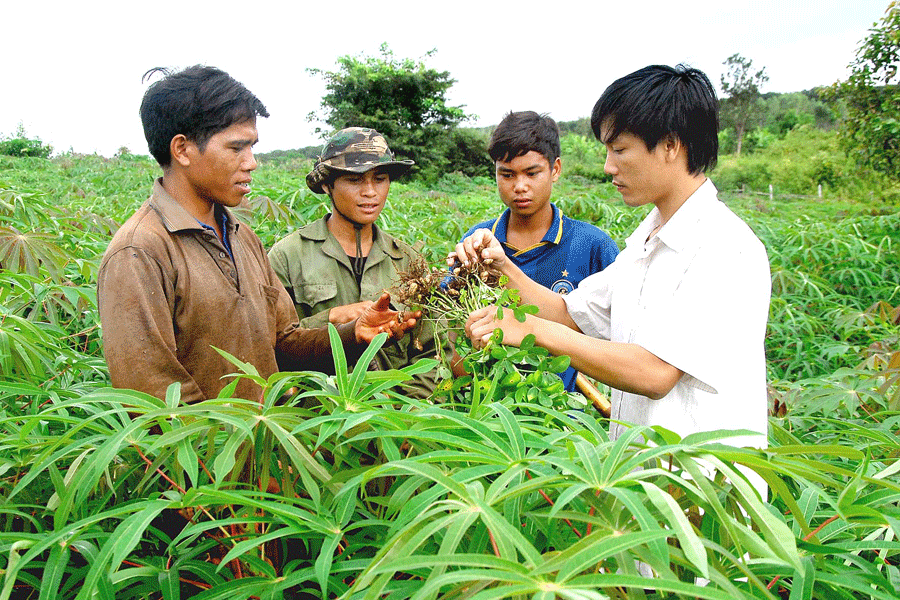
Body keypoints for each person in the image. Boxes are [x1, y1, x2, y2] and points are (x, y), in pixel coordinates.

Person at [455, 65, 770, 452]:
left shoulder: (722, 245)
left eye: (619, 150)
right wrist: (500, 265)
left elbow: (655, 373)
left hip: (700, 484)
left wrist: (532, 331)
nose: (608, 166)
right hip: (642, 475)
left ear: (670, 145)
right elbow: (570, 312)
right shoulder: (647, 240)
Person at [97, 66, 416, 404]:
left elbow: (285, 345)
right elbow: (153, 394)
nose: (252, 163)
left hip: (269, 447)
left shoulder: (241, 237)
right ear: (182, 150)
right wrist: (228, 452)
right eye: (237, 148)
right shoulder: (140, 251)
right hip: (213, 453)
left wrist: (353, 334)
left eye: (252, 147)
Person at [268, 127, 441, 399]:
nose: (370, 192)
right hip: (315, 419)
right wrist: (333, 319)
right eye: (355, 180)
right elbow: (272, 347)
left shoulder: (409, 260)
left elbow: (433, 354)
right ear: (327, 185)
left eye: (380, 179)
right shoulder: (287, 256)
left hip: (394, 421)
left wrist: (413, 412)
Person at [453, 111, 619, 391]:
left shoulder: (592, 245)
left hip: (561, 409)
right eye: (507, 174)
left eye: (532, 173)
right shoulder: (478, 241)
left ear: (555, 169)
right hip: (485, 403)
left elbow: (620, 334)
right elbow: (452, 331)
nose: (520, 186)